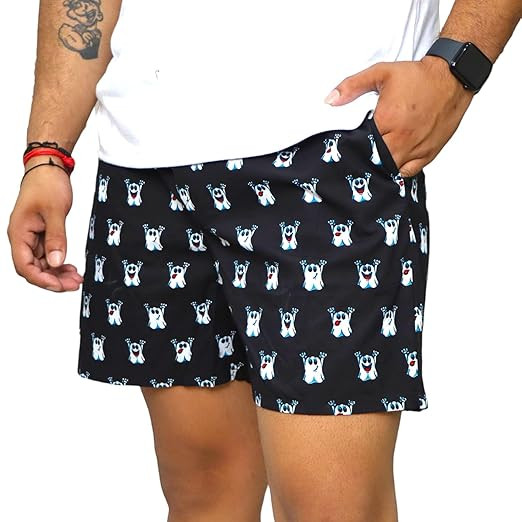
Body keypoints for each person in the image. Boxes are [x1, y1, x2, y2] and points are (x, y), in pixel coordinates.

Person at [7, 1, 520, 520]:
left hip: (326, 146)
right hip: (145, 160)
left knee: (333, 510)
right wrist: (48, 154)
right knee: (204, 496)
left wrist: (457, 67)